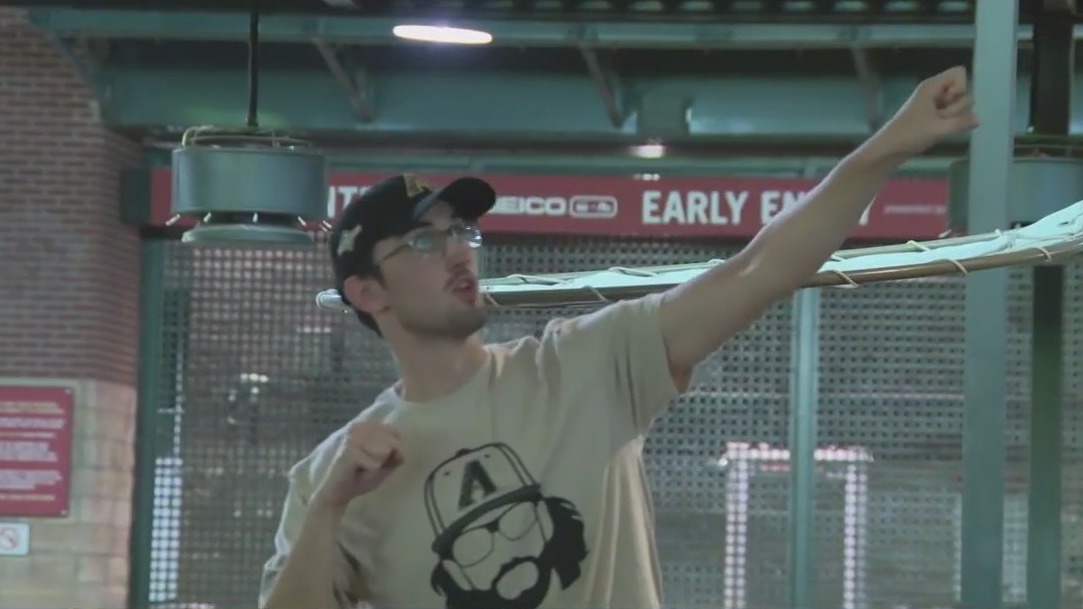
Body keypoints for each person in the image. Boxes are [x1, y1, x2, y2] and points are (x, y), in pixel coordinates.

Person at [258, 66, 980, 609]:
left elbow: (758, 270)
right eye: (422, 240)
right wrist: (329, 508)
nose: (458, 252)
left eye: (461, 231)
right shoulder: (330, 478)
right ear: (366, 292)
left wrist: (891, 146)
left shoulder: (583, 367)